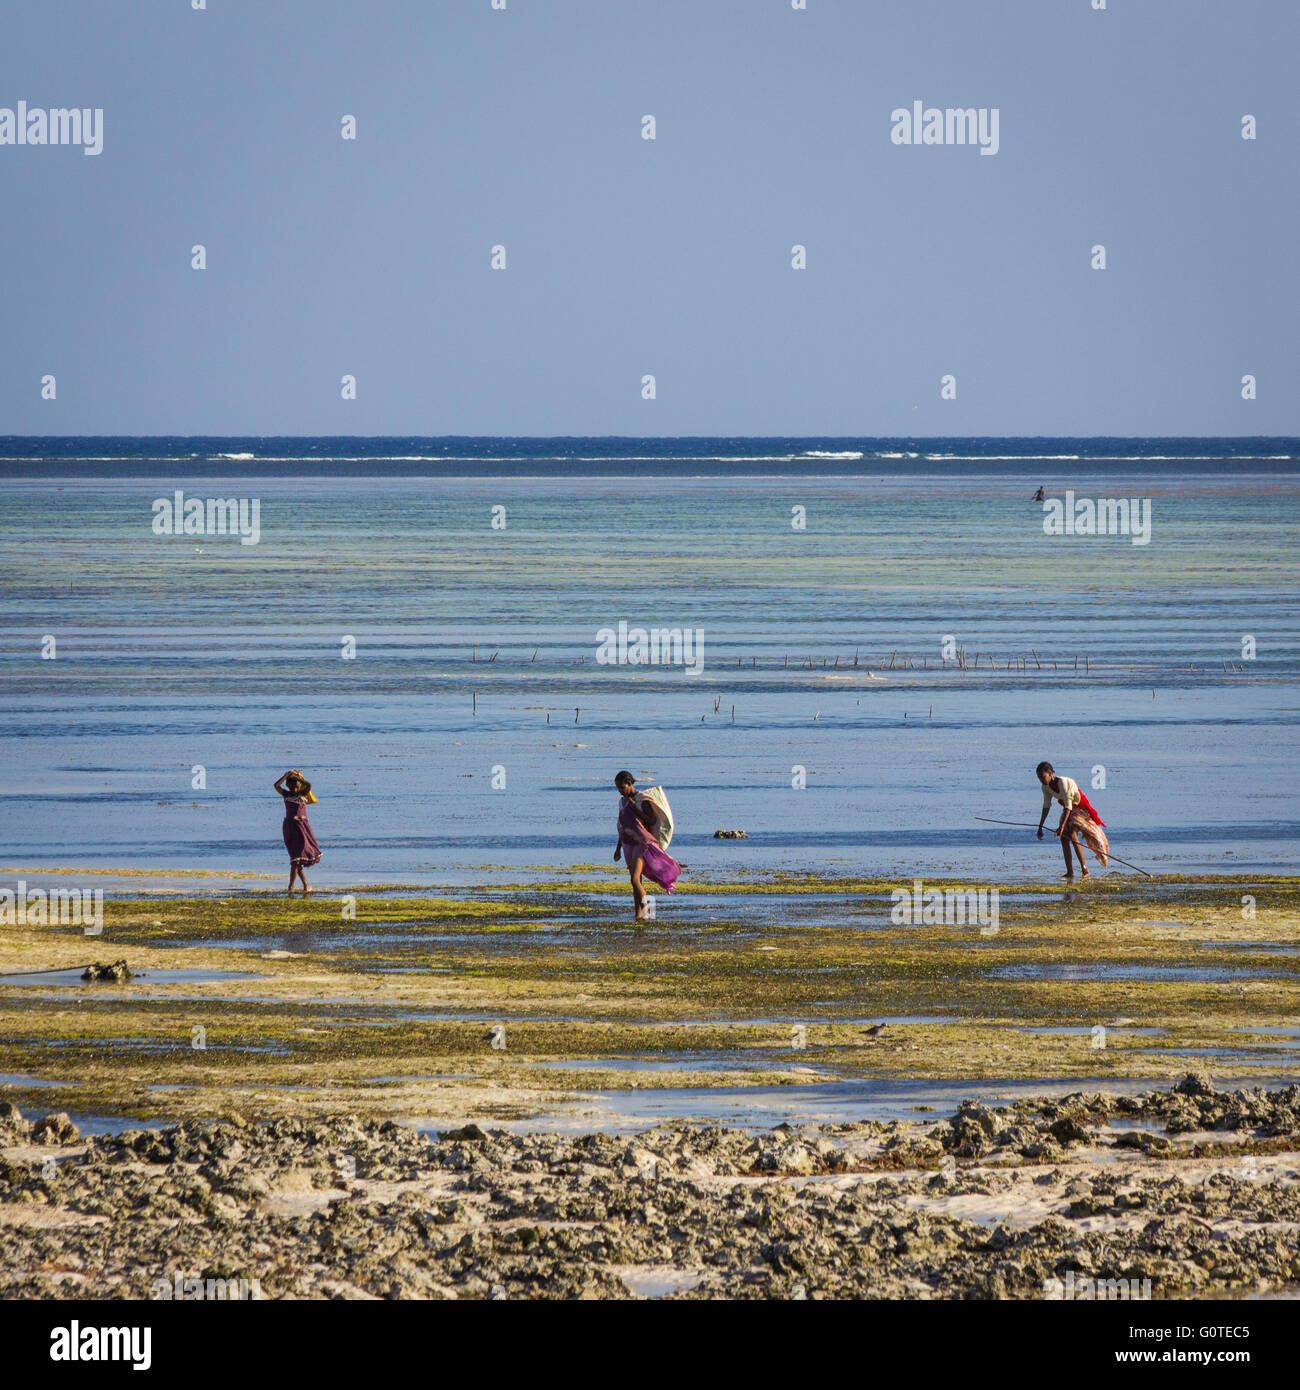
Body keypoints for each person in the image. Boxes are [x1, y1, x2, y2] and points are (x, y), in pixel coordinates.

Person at [612, 770, 680, 921]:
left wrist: (635, 808)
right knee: (636, 881)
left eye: (622, 788)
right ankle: (638, 914)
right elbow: (622, 825)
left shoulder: (642, 799)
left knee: (635, 880)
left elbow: (651, 820)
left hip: (640, 843)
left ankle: (647, 913)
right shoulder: (622, 802)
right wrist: (617, 849)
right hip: (627, 844)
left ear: (629, 784)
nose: (620, 792)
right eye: (617, 788)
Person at [1035, 761, 1109, 879]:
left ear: (1050, 774)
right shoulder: (1045, 787)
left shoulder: (1063, 783)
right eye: (1039, 778)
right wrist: (1040, 827)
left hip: (1079, 808)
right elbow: (1046, 806)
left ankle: (1084, 869)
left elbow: (1069, 805)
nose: (1041, 780)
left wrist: (1062, 826)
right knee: (1064, 837)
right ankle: (1070, 872)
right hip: (1067, 809)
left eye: (1043, 777)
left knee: (1072, 833)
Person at [275, 768, 322, 895]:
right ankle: (302, 885)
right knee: (295, 858)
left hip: (303, 828)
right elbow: (276, 785)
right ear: (288, 786)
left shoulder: (304, 794)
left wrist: (298, 776)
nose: (294, 788)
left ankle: (293, 886)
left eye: (296, 785)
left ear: (300, 785)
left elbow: (309, 784)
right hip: (290, 828)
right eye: (292, 786)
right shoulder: (286, 795)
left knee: (297, 859)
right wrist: (286, 775)